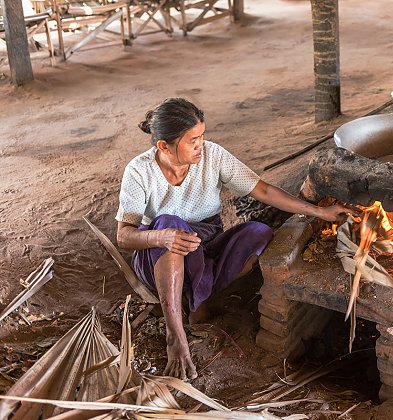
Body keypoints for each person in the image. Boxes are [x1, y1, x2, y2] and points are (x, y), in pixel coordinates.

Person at [116, 98, 355, 381]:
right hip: (158, 253)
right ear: (164, 146)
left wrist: (319, 211)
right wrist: (161, 235)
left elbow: (263, 191)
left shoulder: (212, 156)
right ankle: (175, 333)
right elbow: (124, 236)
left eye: (202, 136)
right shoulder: (139, 170)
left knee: (258, 233)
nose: (200, 145)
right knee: (171, 224)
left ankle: (195, 297)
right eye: (192, 140)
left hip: (205, 245)